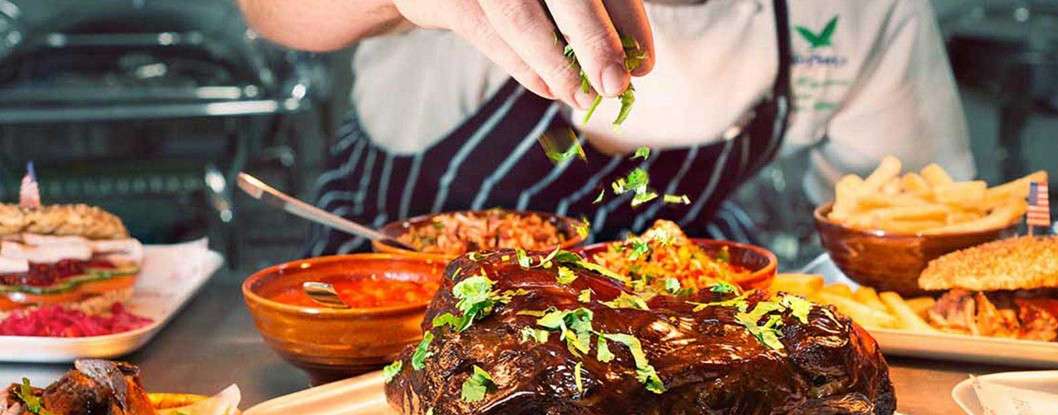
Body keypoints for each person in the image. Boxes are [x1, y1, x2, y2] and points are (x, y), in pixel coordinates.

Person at [238, 0, 974, 255]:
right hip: (382, 302)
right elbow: (268, 13)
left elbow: (908, 236)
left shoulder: (865, 14)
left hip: (653, 352)